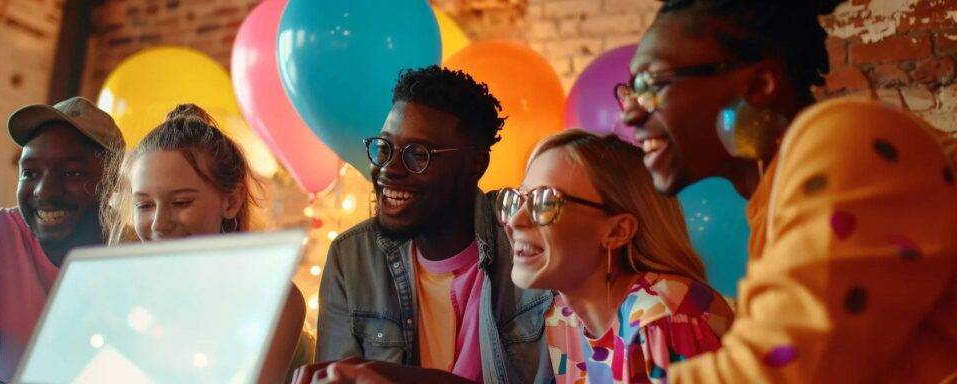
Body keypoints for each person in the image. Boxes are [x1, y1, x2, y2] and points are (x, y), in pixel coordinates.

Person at [619, 0, 957, 381]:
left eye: (652, 84)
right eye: (631, 90)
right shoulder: (769, 204)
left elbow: (780, 371)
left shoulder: (843, 138)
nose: (630, 113)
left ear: (759, 85)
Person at [303, 65, 554, 383]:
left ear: (476, 164)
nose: (389, 169)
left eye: (417, 155)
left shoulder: (525, 242)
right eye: (384, 148)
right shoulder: (352, 257)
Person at [499, 130, 734, 383]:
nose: (514, 221)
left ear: (617, 231)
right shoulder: (563, 317)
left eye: (545, 203)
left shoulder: (663, 319)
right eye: (518, 200)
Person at [102, 104, 309, 383]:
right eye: (144, 205)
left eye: (181, 202)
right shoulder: (124, 292)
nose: (159, 224)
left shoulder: (273, 298)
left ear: (231, 201)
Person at [0, 97, 124, 383]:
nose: (44, 192)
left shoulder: (136, 255)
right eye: (30, 173)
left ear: (112, 183)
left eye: (71, 173)